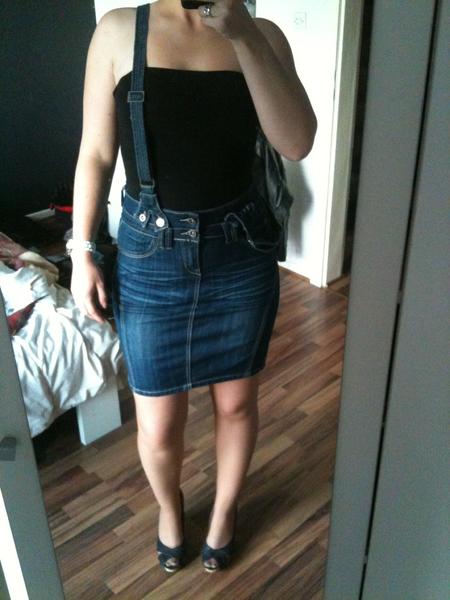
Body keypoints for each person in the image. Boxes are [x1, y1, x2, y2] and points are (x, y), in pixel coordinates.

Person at [69, 0, 317, 573]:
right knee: (158, 426)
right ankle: (169, 507)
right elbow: (96, 154)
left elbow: (297, 142)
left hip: (241, 251)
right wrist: (81, 251)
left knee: (237, 404)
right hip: (149, 258)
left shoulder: (262, 35)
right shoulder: (118, 31)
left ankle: (225, 511)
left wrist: (242, 34)